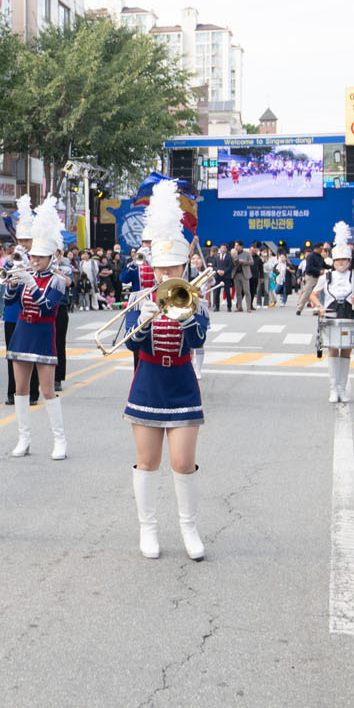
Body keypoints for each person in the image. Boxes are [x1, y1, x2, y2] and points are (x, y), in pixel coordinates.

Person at [124, 181, 210, 561]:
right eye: (160, 267)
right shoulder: (140, 298)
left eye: (172, 267)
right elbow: (131, 346)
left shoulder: (196, 299)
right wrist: (142, 320)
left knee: (183, 463)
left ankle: (189, 529)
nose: (165, 273)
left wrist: (185, 313)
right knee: (148, 462)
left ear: (184, 266)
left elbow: (198, 340)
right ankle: (148, 529)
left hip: (181, 383)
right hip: (147, 383)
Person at [6, 198, 71, 460]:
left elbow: (46, 307)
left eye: (40, 257)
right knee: (20, 389)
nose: (35, 261)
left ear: (51, 258)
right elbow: (9, 302)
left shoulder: (57, 281)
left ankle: (59, 440)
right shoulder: (26, 273)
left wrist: (31, 284)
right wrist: (13, 284)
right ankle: (24, 438)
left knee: (47, 390)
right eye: (33, 256)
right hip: (22, 332)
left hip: (44, 334)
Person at [309, 222, 354, 403]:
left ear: (349, 261)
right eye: (338, 260)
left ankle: (342, 387)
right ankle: (333, 388)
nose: (341, 263)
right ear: (333, 261)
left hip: (349, 316)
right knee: (333, 351)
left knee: (346, 353)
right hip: (331, 317)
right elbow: (312, 294)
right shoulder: (326, 276)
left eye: (344, 260)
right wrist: (320, 306)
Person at [3, 196, 38, 407]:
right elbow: (4, 280)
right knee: (12, 354)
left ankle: (32, 391)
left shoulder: (40, 259)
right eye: (21, 240)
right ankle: (12, 392)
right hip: (12, 313)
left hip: (32, 312)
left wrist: (29, 265)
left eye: (27, 240)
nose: (23, 244)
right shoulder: (12, 259)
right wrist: (13, 264)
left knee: (31, 354)